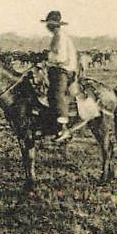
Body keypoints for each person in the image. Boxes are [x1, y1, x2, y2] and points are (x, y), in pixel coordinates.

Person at [42, 10, 79, 142]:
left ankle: (63, 128)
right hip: (58, 69)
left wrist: (47, 58)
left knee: (56, 94)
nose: (47, 26)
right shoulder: (57, 36)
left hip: (64, 70)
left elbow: (61, 57)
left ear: (55, 25)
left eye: (49, 24)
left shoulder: (60, 37)